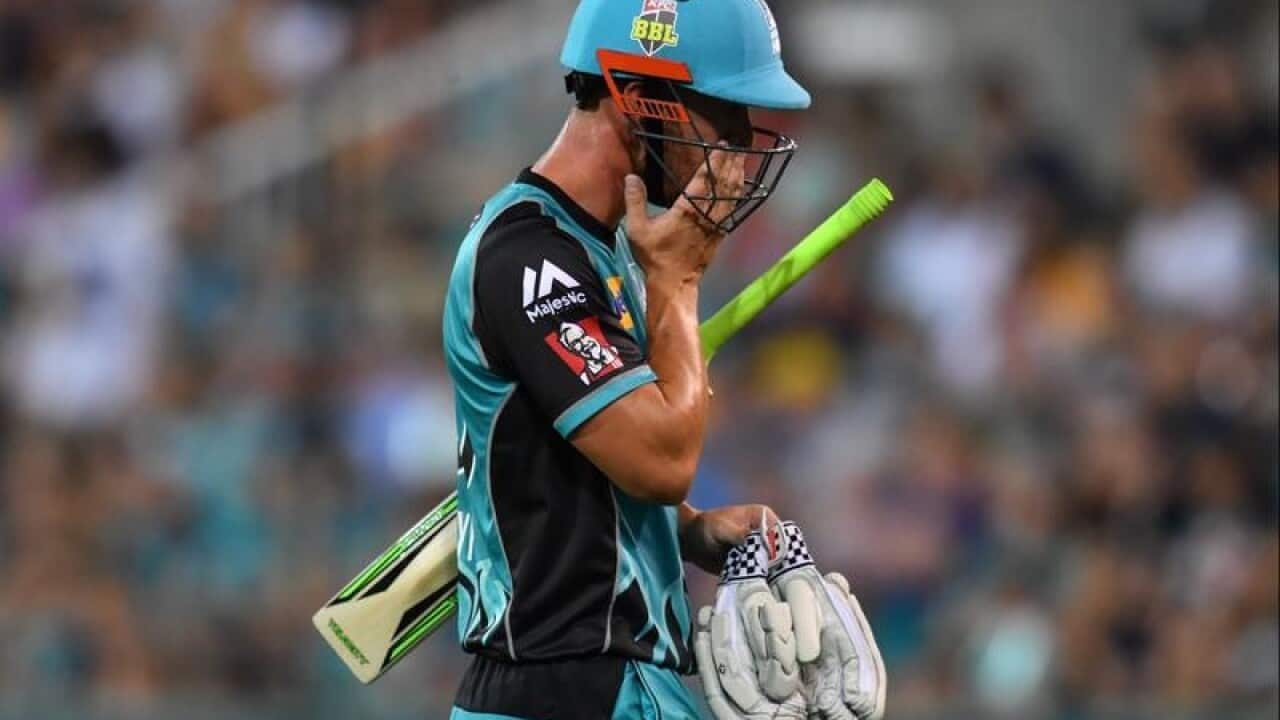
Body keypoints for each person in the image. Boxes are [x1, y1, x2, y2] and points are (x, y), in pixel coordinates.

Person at [442, 1, 810, 717]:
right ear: (642, 101)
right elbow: (662, 462)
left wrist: (690, 532)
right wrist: (678, 282)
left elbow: (571, 487)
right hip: (565, 687)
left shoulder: (600, 246)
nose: (736, 153)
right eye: (724, 118)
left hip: (600, 682)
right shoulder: (531, 258)